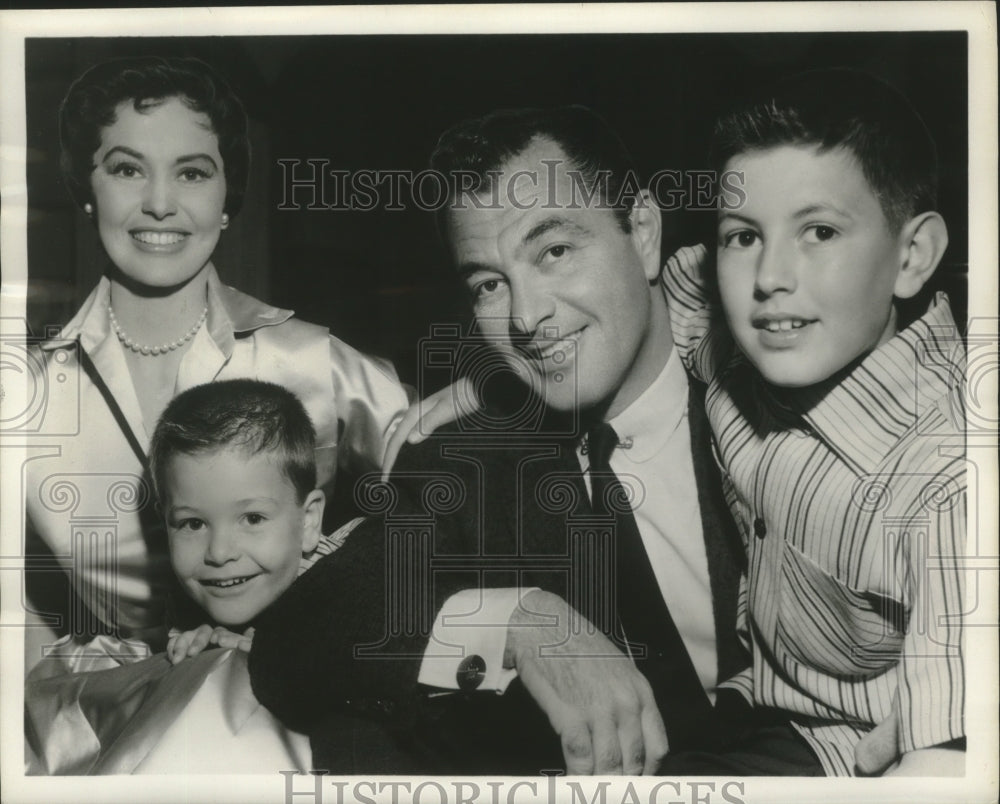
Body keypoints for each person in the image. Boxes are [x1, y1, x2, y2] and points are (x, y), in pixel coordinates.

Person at [248, 106, 825, 775]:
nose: (525, 318)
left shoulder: (785, 378)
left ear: (642, 232)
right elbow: (296, 642)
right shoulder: (472, 458)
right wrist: (518, 621)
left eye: (554, 252)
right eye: (490, 284)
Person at [21, 55, 434, 674]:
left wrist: (319, 608)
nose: (160, 203)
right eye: (128, 168)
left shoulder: (310, 358)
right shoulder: (23, 396)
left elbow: (447, 500)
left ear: (225, 198)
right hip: (101, 724)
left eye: (191, 173)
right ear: (86, 189)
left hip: (291, 691)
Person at [660, 69, 966, 775]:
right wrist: (471, 395)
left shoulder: (954, 476)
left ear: (912, 256)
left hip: (850, 752)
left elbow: (946, 773)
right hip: (745, 702)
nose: (770, 276)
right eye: (744, 236)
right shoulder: (745, 335)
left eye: (819, 231)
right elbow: (656, 292)